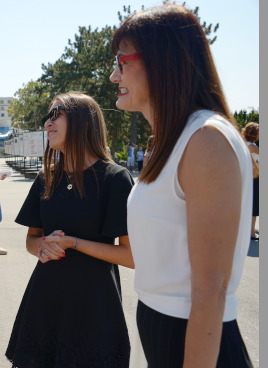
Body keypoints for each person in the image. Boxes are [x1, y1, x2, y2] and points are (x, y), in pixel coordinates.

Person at [110, 4, 253, 366]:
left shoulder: (206, 139)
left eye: (122, 62)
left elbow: (210, 290)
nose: (114, 75)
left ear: (161, 62)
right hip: (164, 333)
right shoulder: (170, 140)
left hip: (194, 342)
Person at [5, 91, 134, 367]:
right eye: (46, 117)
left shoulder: (115, 178)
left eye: (56, 114)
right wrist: (43, 245)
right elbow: (31, 240)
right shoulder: (46, 176)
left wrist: (73, 242)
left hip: (95, 307)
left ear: (83, 121)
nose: (47, 124)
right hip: (45, 302)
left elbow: (130, 256)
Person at [242, 122, 259, 240]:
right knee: (254, 206)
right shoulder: (253, 147)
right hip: (255, 177)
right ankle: (252, 233)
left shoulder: (244, 144)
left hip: (247, 176)